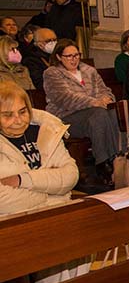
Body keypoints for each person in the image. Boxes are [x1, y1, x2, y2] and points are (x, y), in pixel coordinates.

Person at [43, 39, 120, 186]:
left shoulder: (89, 70)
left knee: (112, 113)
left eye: (76, 55)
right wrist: (94, 102)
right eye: (69, 56)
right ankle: (104, 163)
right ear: (59, 57)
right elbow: (65, 98)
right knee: (99, 114)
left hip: (95, 114)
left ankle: (115, 160)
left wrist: (107, 98)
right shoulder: (52, 73)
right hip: (66, 117)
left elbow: (105, 90)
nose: (74, 59)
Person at [0, 81, 79, 216]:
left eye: (22, 111)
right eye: (8, 115)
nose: (18, 120)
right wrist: (52, 192)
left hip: (60, 210)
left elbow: (71, 176)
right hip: (13, 221)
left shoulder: (47, 129)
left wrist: (22, 180)